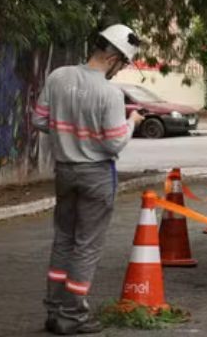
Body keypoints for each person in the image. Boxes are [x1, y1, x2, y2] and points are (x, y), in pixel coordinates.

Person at [31, 24, 144, 335]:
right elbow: (113, 143)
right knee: (87, 246)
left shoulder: (58, 77)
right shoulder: (109, 93)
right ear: (114, 57)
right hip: (95, 174)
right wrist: (131, 122)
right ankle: (73, 316)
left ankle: (54, 311)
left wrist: (66, 131)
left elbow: (39, 118)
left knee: (64, 240)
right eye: (122, 64)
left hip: (64, 171)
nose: (120, 70)